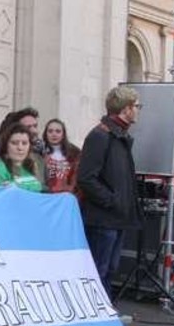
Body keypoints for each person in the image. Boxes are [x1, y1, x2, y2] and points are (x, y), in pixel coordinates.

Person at [77, 86, 144, 290]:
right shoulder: (100, 135)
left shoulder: (119, 136)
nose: (138, 110)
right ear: (126, 109)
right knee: (99, 270)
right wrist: (112, 200)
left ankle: (105, 313)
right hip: (103, 219)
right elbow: (86, 178)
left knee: (110, 269)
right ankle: (95, 315)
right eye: (137, 106)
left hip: (116, 218)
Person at [0, 122, 45, 192]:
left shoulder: (31, 166)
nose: (20, 148)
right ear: (5, 145)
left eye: (24, 143)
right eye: (14, 143)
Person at [41, 118, 82, 193]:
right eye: (50, 131)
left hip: (67, 197)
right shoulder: (40, 153)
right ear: (45, 134)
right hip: (46, 197)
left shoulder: (74, 154)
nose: (54, 134)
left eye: (58, 131)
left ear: (63, 134)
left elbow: (76, 179)